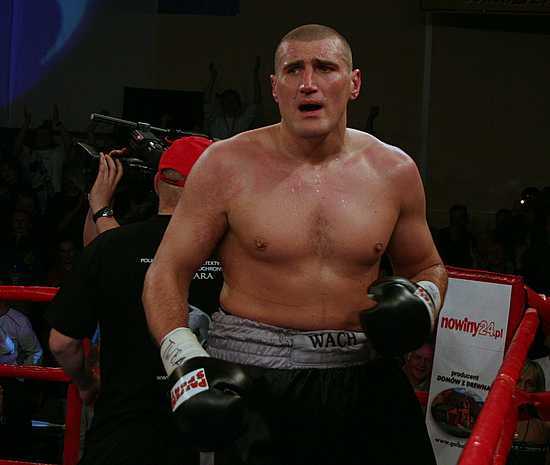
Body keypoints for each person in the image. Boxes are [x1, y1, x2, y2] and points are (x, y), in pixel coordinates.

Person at [143, 24, 447, 464]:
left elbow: (426, 266)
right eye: (293, 70)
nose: (308, 83)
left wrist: (423, 301)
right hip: (255, 377)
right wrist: (186, 363)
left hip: (365, 374)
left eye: (325, 67)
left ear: (354, 83)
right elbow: (166, 272)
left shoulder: (393, 170)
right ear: (275, 87)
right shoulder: (225, 164)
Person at [45, 136, 216, 465]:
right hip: (208, 425)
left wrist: (86, 384)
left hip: (124, 430)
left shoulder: (113, 247)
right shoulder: (237, 250)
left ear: (156, 183)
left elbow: (62, 344)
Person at [0, 273, 43, 461]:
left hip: (11, 381)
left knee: (15, 436)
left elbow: (36, 352)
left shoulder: (18, 320)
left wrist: (21, 376)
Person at [13, 104, 73, 214]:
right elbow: (17, 146)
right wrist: (26, 123)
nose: (43, 138)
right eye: (40, 135)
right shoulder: (29, 154)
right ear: (35, 138)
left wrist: (57, 121)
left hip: (54, 195)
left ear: (51, 138)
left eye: (46, 136)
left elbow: (69, 143)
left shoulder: (57, 153)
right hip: (33, 195)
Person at [203, 57, 262, 140]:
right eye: (227, 100)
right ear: (222, 104)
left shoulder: (243, 121)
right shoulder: (215, 120)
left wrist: (255, 73)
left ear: (238, 104)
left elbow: (257, 100)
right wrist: (212, 77)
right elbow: (206, 101)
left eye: (233, 100)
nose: (230, 103)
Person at [507, 359, 550, 465]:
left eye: (529, 384)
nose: (522, 388)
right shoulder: (496, 418)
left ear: (537, 389)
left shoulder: (545, 424)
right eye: (518, 381)